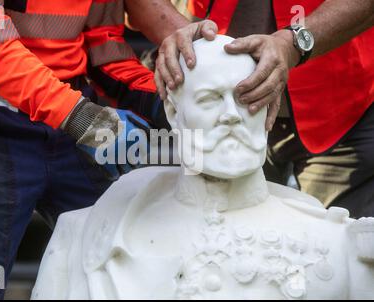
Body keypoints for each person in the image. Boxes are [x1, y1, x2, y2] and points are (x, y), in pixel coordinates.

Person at [31, 36, 374, 300]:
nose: (231, 114)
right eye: (210, 99)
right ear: (173, 113)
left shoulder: (342, 244)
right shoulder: (81, 235)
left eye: (248, 97)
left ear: (272, 106)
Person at [0, 0, 181, 299]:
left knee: (130, 275)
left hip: (70, 110)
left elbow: (103, 44)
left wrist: (174, 99)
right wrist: (82, 118)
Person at [140, 0, 374, 217]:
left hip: (340, 112)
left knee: (333, 244)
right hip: (208, 114)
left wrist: (295, 42)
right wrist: (176, 32)